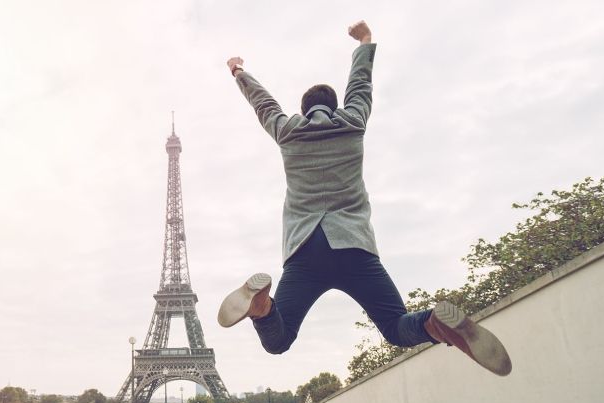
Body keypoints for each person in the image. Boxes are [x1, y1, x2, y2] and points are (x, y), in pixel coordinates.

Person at [218, 20, 512, 378]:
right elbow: (361, 85)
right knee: (395, 326)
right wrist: (365, 42)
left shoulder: (287, 130)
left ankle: (262, 307)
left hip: (305, 250)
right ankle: (434, 324)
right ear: (334, 104)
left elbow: (263, 104)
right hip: (354, 246)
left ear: (305, 108)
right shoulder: (353, 121)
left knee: (278, 340)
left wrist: (238, 71)